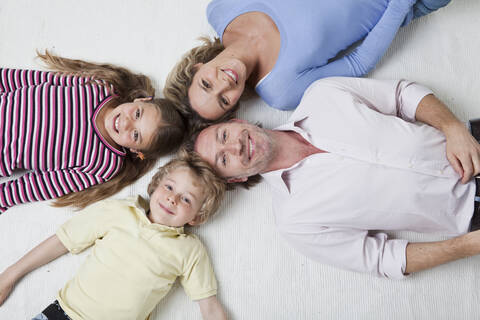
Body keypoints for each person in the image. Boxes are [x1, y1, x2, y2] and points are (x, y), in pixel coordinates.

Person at [191, 76, 480, 279]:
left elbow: (401, 94)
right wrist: (465, 247)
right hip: (473, 213)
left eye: (224, 135)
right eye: (224, 159)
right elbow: (382, 259)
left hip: (471, 138)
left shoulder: (322, 94)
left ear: (237, 121)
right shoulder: (295, 222)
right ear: (235, 180)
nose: (235, 146)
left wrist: (452, 127)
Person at [0, 151, 227, 320]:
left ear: (197, 217)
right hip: (66, 314)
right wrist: (9, 277)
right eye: (169, 187)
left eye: (186, 199)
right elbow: (62, 241)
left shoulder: (189, 249)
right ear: (155, 185)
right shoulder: (119, 211)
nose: (172, 199)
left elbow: (208, 305)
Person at [164, 0, 451, 123]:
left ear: (197, 67)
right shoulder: (281, 89)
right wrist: (400, 2)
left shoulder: (220, 9)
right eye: (224, 100)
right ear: (236, 102)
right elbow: (357, 64)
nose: (224, 84)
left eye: (206, 83)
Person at [0, 52, 185, 213]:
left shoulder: (104, 164)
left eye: (136, 135)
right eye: (137, 113)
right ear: (141, 99)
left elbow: (42, 184)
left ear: (136, 151)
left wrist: (4, 198)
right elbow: (38, 81)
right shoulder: (98, 87)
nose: (127, 123)